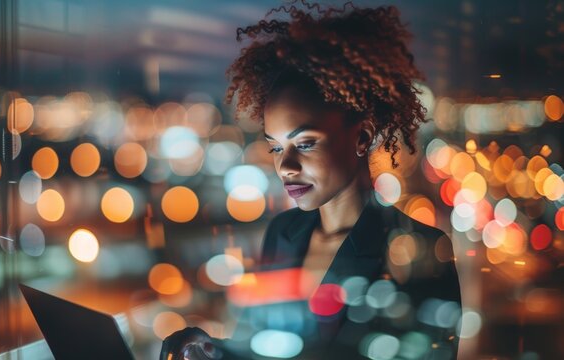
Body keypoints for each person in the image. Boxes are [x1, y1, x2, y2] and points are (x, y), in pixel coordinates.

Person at [160, 2, 462, 359]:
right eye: (275, 147)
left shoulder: (419, 250)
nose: (286, 166)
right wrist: (212, 349)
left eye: (304, 143)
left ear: (362, 137)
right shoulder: (283, 232)